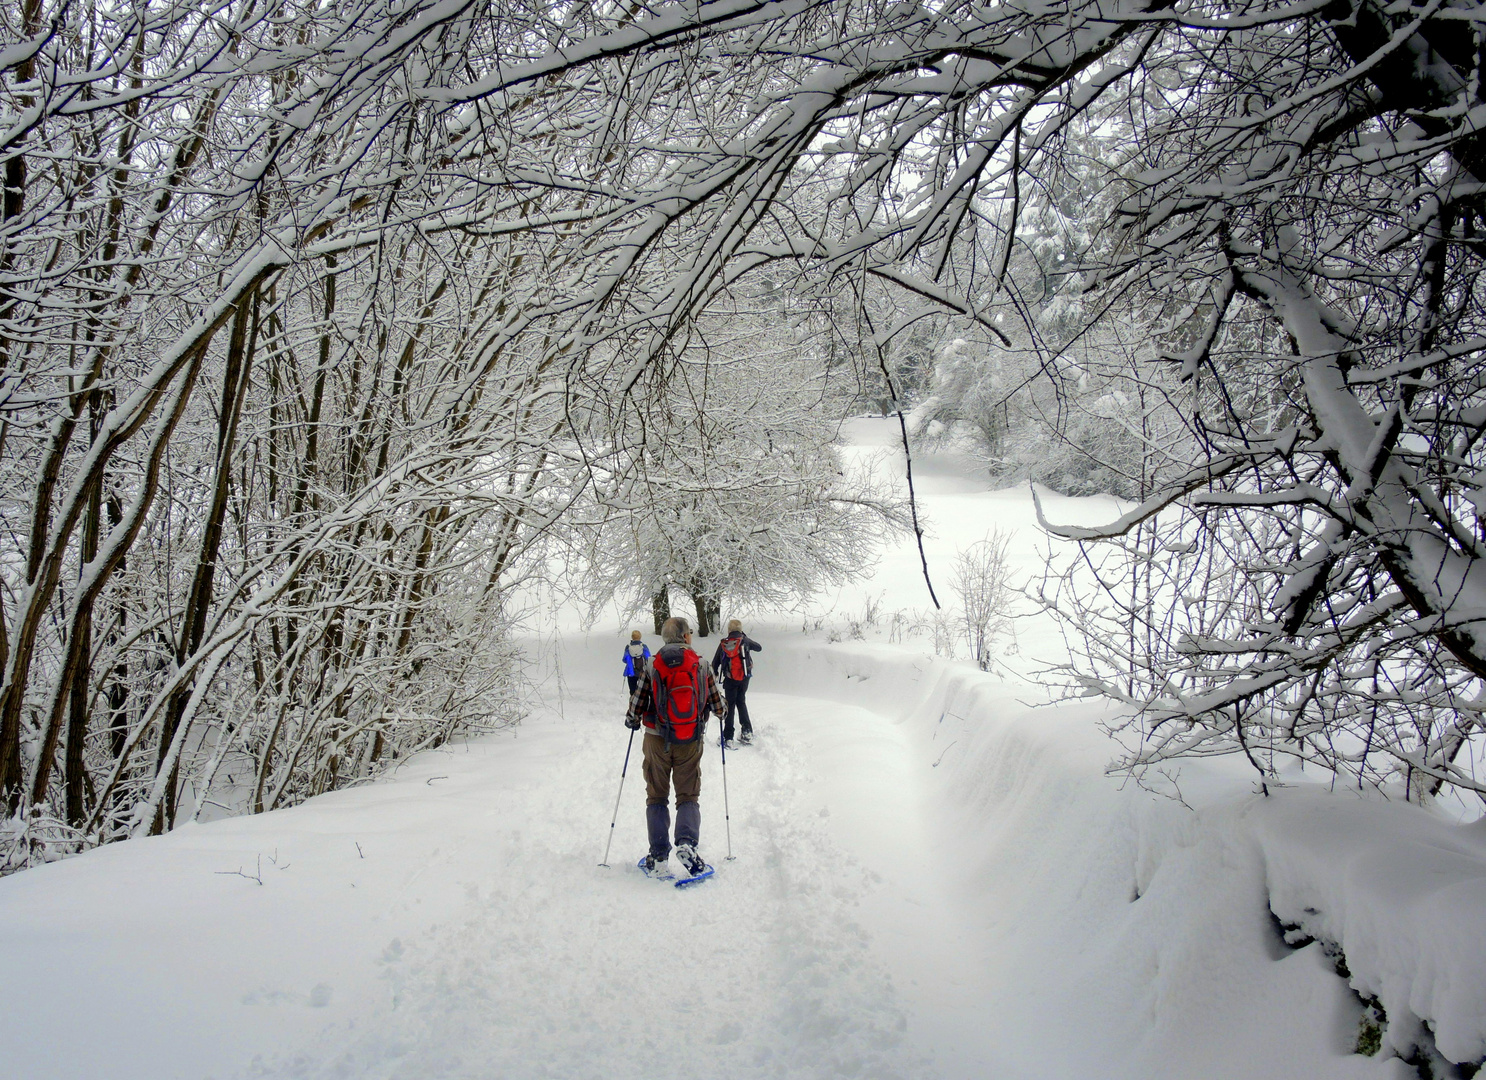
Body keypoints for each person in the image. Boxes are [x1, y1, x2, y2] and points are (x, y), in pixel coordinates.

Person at [625, 616, 727, 879]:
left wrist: (632, 719)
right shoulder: (702, 664)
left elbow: (637, 704)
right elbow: (718, 707)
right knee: (688, 795)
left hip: (656, 739)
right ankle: (687, 845)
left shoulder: (652, 664)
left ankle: (658, 857)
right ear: (685, 637)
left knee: (657, 796)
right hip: (690, 739)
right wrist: (723, 710)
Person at [711, 618, 763, 749]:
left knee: (730, 705)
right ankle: (747, 732)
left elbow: (714, 663)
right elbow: (759, 648)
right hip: (744, 678)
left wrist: (715, 675)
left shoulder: (724, 643)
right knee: (741, 701)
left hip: (730, 679)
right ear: (740, 629)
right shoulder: (744, 640)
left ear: (729, 630)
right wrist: (744, 638)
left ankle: (728, 738)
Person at [621, 630, 651, 697]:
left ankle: (632, 704)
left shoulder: (628, 647)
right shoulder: (644, 646)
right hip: (643, 672)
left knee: (632, 691)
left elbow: (624, 659)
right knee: (644, 692)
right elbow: (648, 658)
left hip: (631, 673)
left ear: (632, 637)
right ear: (640, 637)